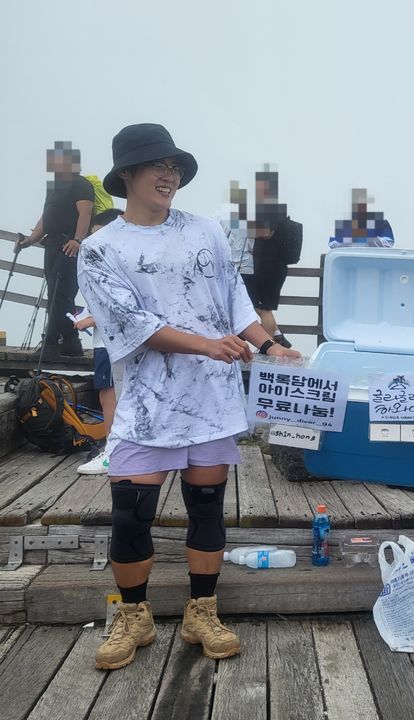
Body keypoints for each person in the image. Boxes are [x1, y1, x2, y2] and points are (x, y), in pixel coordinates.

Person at [77, 123, 300, 671]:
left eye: (174, 166)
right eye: (156, 165)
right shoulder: (101, 249)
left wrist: (271, 344)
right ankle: (134, 615)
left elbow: (236, 298)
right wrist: (207, 344)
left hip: (213, 399)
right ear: (127, 174)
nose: (169, 174)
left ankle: (202, 609)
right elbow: (133, 324)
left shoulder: (205, 230)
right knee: (131, 513)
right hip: (148, 403)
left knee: (207, 508)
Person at [16, 141, 94, 360]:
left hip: (68, 244)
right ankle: (71, 342)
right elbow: (46, 217)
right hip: (51, 244)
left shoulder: (81, 184)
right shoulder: (55, 186)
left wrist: (77, 239)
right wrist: (30, 240)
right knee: (59, 295)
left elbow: (85, 214)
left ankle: (50, 342)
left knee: (60, 295)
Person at [73, 208, 125, 475]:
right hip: (113, 340)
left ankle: (112, 452)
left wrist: (89, 320)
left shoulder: (113, 260)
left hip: (110, 341)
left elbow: (115, 302)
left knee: (109, 395)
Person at [240, 167, 295, 348]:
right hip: (275, 267)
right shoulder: (278, 209)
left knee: (264, 309)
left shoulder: (267, 210)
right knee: (259, 305)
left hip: (266, 267)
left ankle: (268, 349)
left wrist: (244, 229)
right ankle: (277, 337)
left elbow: (265, 233)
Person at [328, 188, 394, 248]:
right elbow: (332, 244)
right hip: (349, 259)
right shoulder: (344, 224)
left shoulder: (381, 222)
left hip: (373, 258)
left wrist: (370, 238)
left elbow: (390, 243)